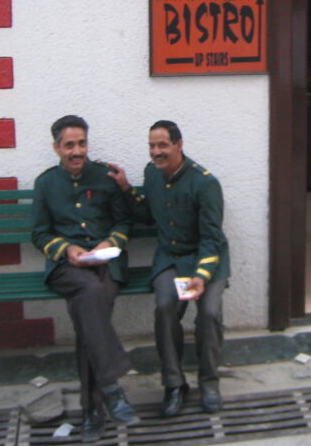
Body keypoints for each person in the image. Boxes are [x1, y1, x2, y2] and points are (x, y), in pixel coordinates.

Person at [31, 115, 139, 442]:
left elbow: (124, 223)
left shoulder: (105, 177)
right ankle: (110, 387)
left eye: (81, 144)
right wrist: (66, 250)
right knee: (90, 294)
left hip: (106, 263)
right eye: (69, 145)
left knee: (87, 309)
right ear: (56, 148)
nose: (76, 151)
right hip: (68, 268)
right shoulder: (46, 183)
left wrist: (110, 242)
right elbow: (38, 234)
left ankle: (92, 411)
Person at [114, 120, 230, 417]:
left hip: (206, 259)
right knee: (165, 307)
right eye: (152, 146)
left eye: (163, 145)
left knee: (209, 313)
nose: (156, 151)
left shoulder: (205, 183)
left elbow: (211, 238)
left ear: (179, 145)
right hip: (171, 258)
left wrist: (201, 276)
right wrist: (126, 189)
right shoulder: (151, 173)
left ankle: (209, 383)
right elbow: (147, 215)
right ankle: (174, 384)